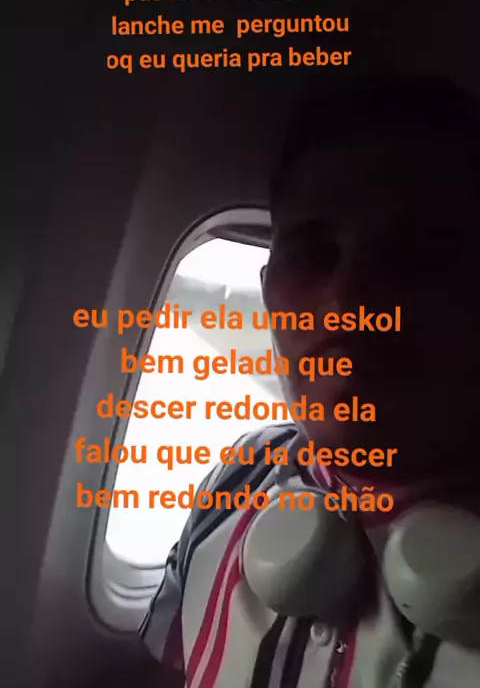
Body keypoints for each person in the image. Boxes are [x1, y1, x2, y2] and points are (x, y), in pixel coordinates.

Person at [140, 77, 480, 687]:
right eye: (312, 253)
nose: (348, 301)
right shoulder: (234, 479)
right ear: (270, 291)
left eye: (415, 257)